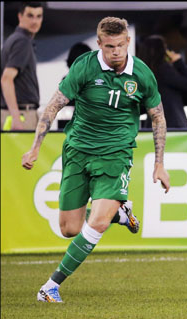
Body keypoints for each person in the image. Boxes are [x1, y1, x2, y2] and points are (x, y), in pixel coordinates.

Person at [21, 16, 171, 303]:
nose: (116, 52)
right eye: (109, 46)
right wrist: (35, 147)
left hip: (116, 154)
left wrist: (159, 163)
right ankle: (119, 213)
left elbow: (158, 117)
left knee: (97, 224)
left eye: (120, 45)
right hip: (78, 150)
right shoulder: (85, 66)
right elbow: (54, 105)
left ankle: (51, 286)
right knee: (70, 229)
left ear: (129, 42)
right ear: (99, 44)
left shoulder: (142, 74)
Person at [137, 34, 187, 128]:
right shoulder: (164, 70)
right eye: (166, 48)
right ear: (161, 51)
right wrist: (179, 62)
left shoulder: (144, 73)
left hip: (154, 125)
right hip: (173, 124)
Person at [0, 2, 43, 131]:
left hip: (16, 113)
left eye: (39, 16)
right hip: (21, 115)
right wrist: (16, 118)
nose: (35, 21)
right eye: (30, 15)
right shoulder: (22, 42)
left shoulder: (15, 39)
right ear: (20, 16)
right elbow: (6, 79)